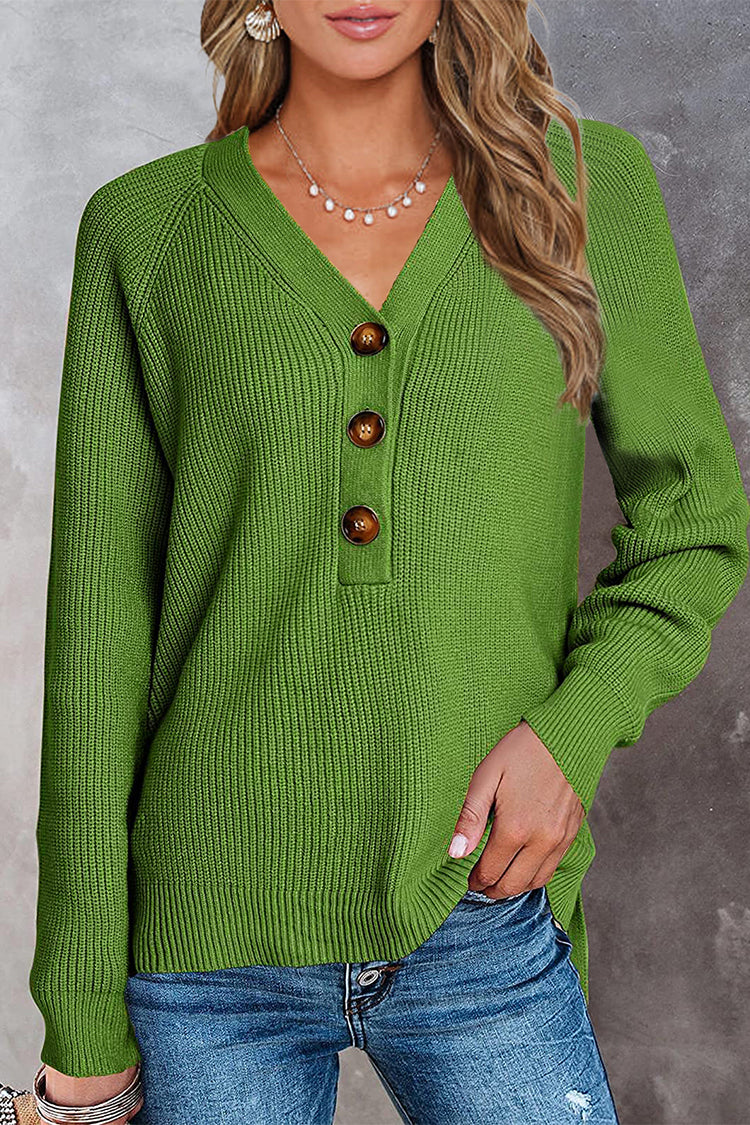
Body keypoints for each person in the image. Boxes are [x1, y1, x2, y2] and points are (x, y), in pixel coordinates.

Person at [28, 1, 750, 1122]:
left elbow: (694, 521)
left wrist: (569, 734)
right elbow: (96, 641)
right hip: (206, 943)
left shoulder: (576, 188)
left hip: (480, 910)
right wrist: (79, 1018)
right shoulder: (147, 231)